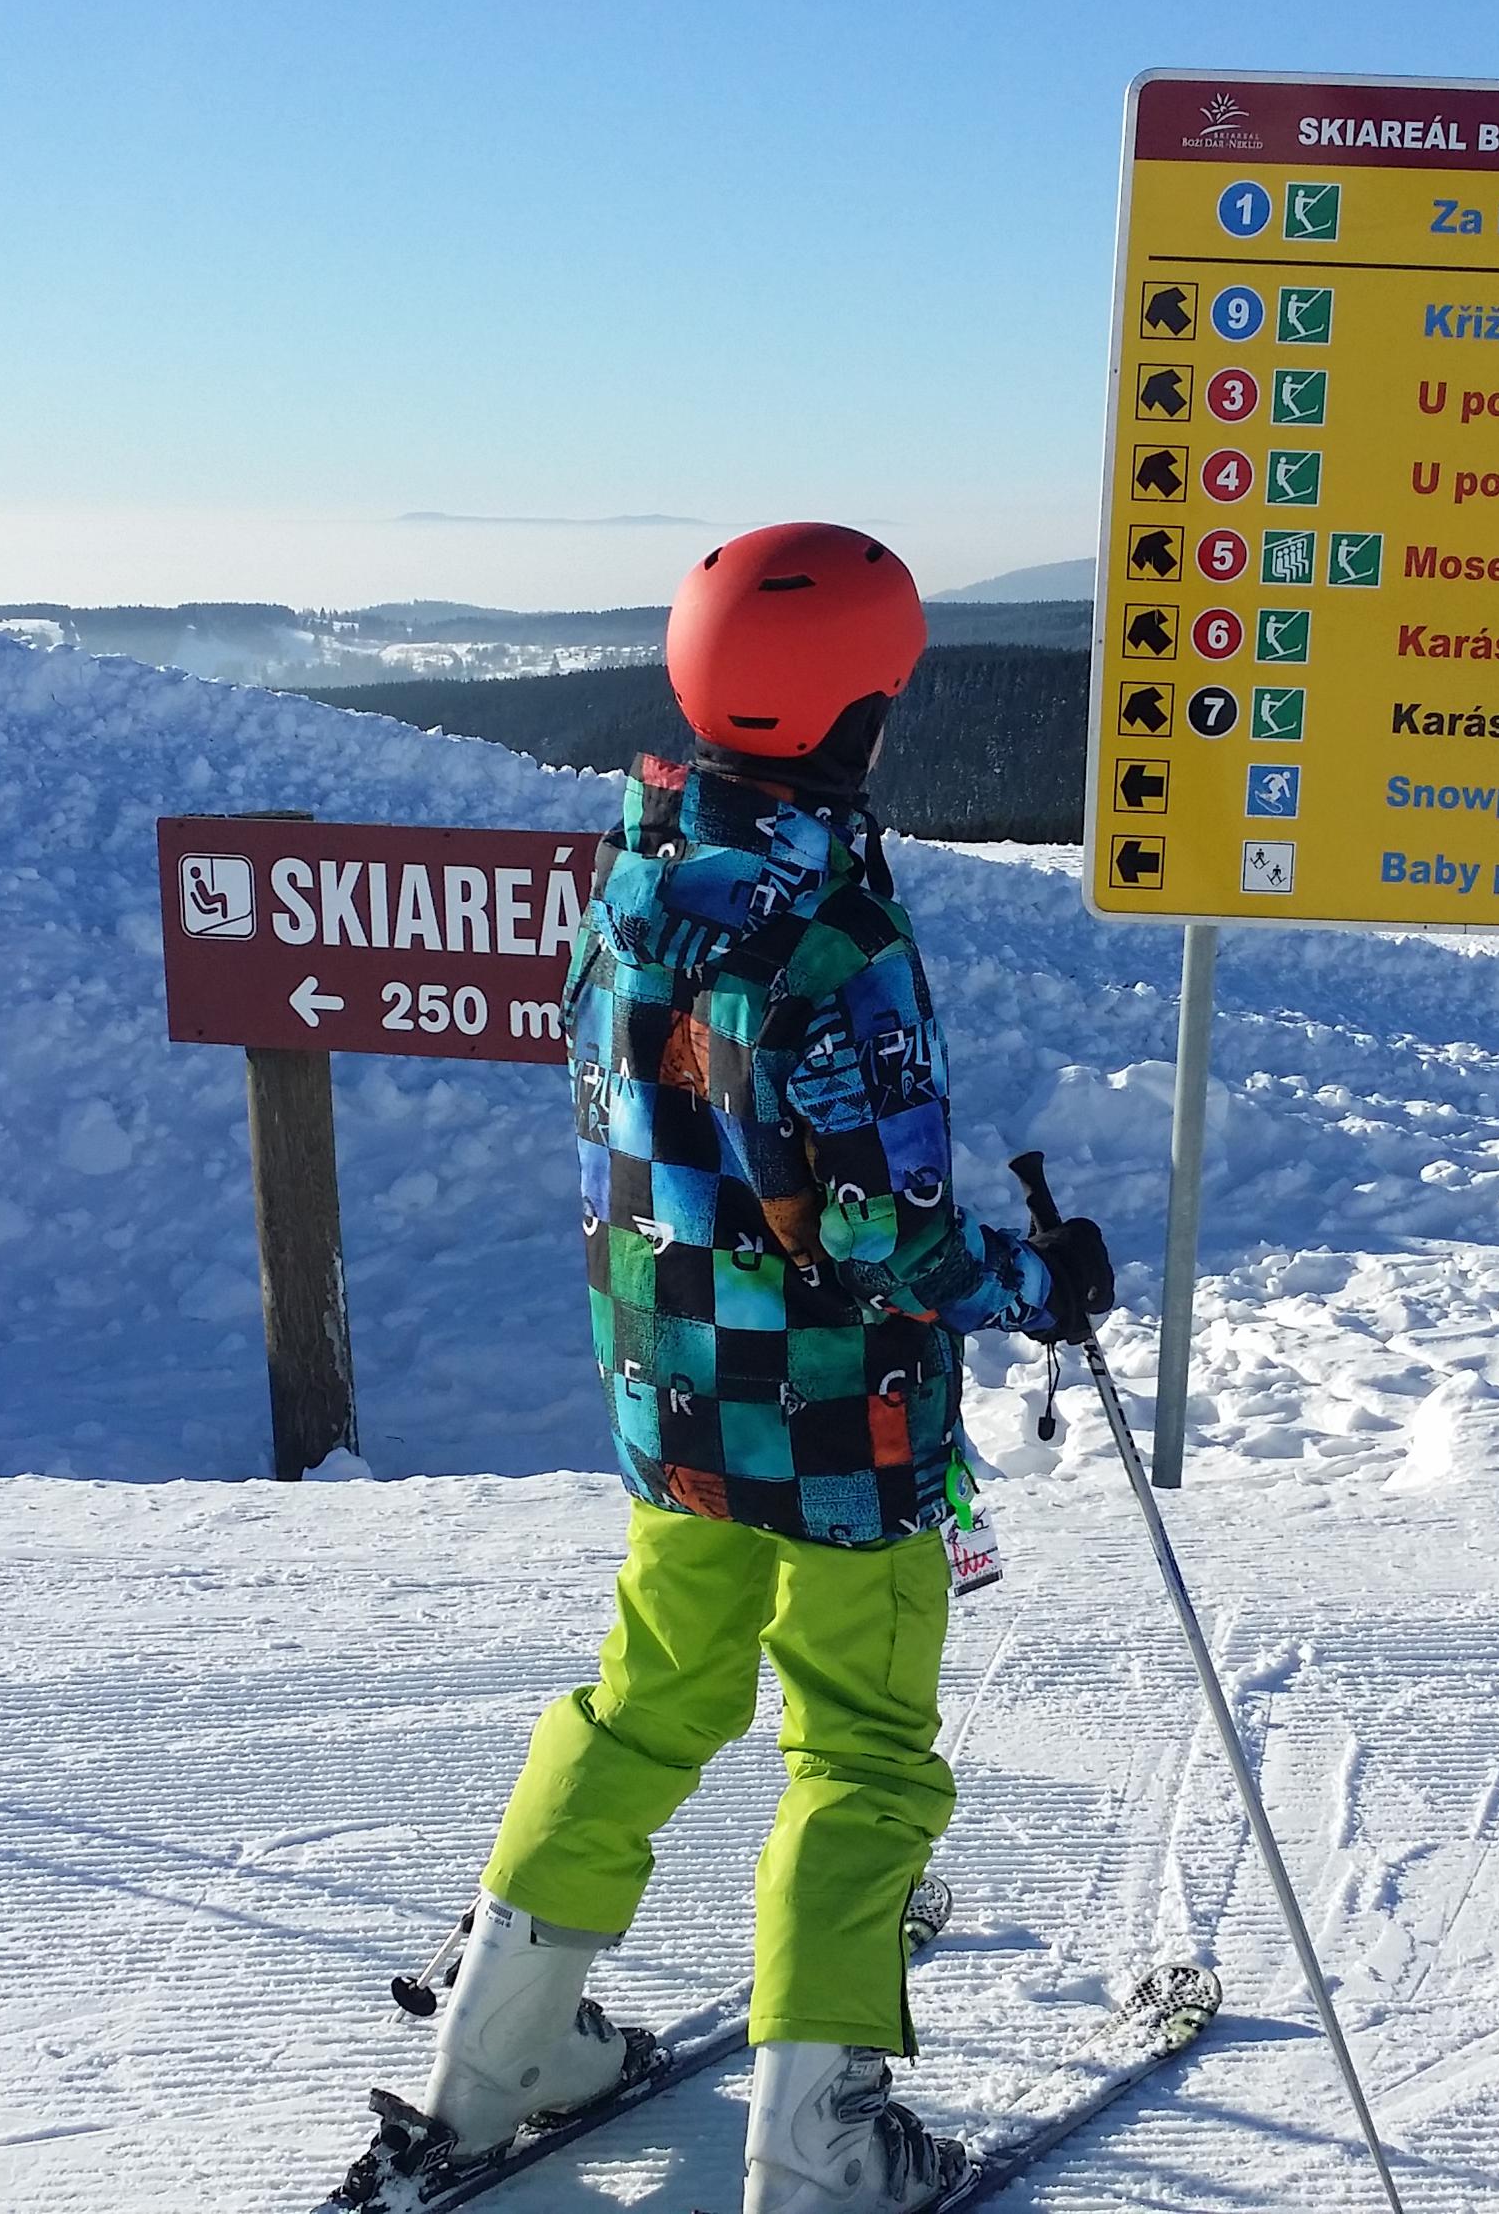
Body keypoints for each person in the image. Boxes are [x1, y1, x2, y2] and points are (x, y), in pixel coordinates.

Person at [406, 522, 1114, 2214]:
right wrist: (1037, 1283)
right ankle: (821, 2140)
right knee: (860, 1748)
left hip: (675, 1393)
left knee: (650, 1694)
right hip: (840, 1425)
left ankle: (496, 2055)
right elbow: (881, 1234)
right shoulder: (834, 935)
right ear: (852, 710)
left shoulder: (635, 874)